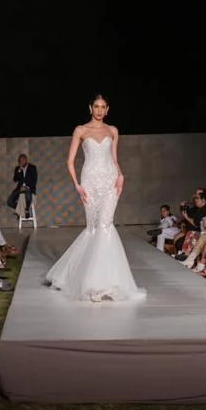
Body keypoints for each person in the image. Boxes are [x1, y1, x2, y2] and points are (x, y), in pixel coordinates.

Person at [45, 94, 145, 302]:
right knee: (92, 228)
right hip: (89, 182)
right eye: (96, 106)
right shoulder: (81, 130)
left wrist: (121, 174)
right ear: (90, 108)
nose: (99, 110)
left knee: (105, 225)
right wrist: (77, 186)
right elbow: (70, 161)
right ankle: (79, 278)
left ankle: (103, 285)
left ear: (107, 109)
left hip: (110, 181)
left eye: (103, 107)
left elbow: (114, 158)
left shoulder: (113, 130)